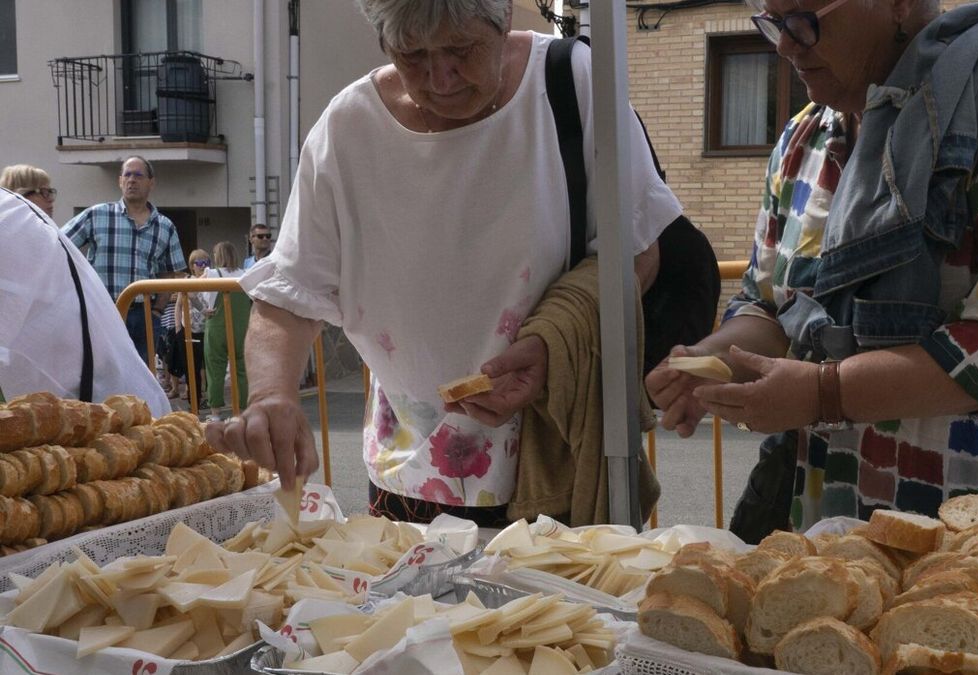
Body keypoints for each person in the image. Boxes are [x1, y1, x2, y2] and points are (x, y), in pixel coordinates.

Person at [647, 0, 978, 539]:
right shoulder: (806, 138)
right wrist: (717, 362)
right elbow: (770, 305)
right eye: (771, 22)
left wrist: (820, 394)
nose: (786, 44)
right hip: (842, 503)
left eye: (805, 19)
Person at [205, 0, 682, 523]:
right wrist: (273, 396)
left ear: (504, 23)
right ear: (385, 46)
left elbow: (636, 252)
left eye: (461, 49)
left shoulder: (570, 82)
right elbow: (291, 293)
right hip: (408, 472)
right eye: (413, 55)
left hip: (554, 457)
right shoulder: (348, 127)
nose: (440, 76)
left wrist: (552, 344)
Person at [0, 188, 170, 414]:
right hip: (68, 383)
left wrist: (157, 311)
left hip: (96, 398)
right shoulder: (15, 213)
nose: (48, 199)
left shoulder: (9, 219)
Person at [62, 156, 188, 362]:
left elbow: (170, 274)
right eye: (127, 175)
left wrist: (156, 311)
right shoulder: (96, 215)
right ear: (120, 181)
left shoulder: (165, 226)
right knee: (101, 374)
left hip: (145, 315)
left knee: (141, 380)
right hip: (103, 311)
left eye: (138, 175)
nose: (132, 180)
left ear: (151, 183)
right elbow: (60, 246)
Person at [201, 242, 251, 422]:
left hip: (217, 327)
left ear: (218, 256)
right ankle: (242, 412)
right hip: (242, 328)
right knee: (242, 370)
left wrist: (202, 309)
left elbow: (190, 292)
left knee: (215, 370)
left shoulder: (211, 274)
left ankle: (215, 413)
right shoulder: (246, 275)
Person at [177, 249, 212, 404]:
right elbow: (178, 306)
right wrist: (178, 328)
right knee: (192, 367)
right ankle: (195, 401)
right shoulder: (187, 281)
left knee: (209, 367)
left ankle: (210, 399)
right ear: (192, 266)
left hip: (207, 330)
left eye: (206, 263)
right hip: (189, 330)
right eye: (199, 263)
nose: (203, 266)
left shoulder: (211, 280)